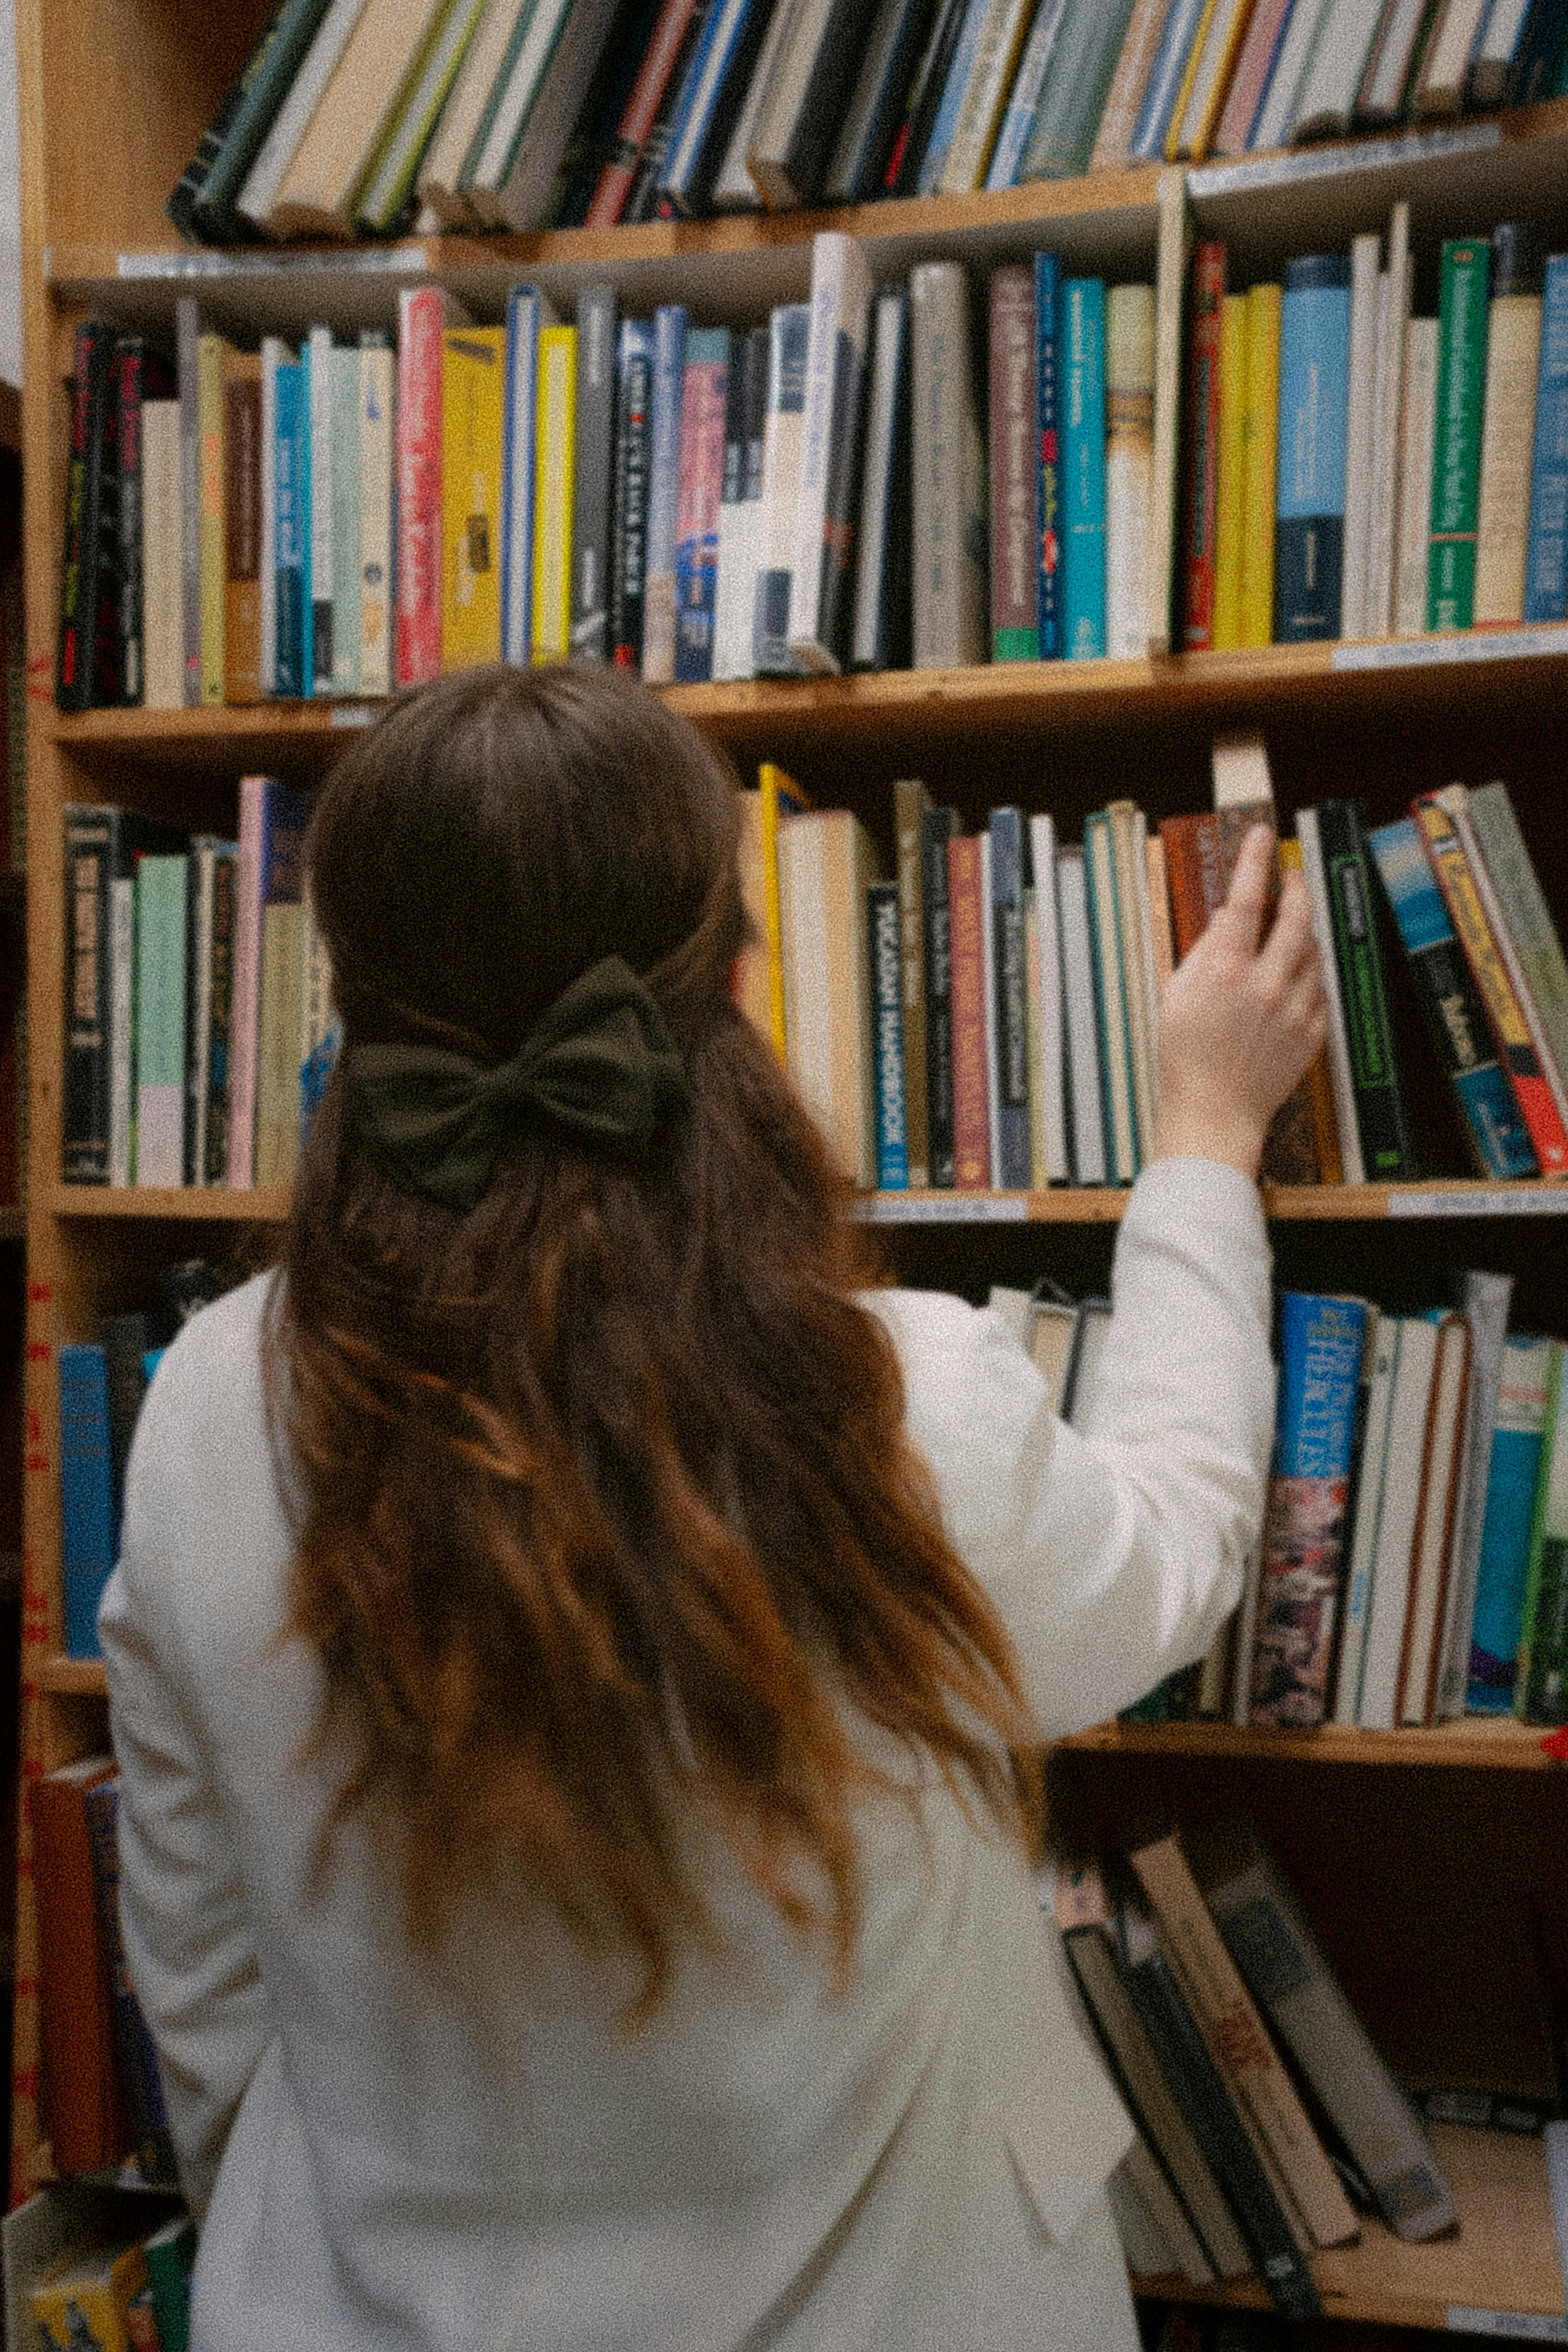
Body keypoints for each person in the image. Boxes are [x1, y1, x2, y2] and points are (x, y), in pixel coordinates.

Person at [98, 662, 1327, 2352]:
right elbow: (1175, 1549)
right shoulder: (898, 1409)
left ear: (348, 996)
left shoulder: (198, 1410)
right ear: (738, 985)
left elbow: (207, 1973)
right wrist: (1203, 1133)